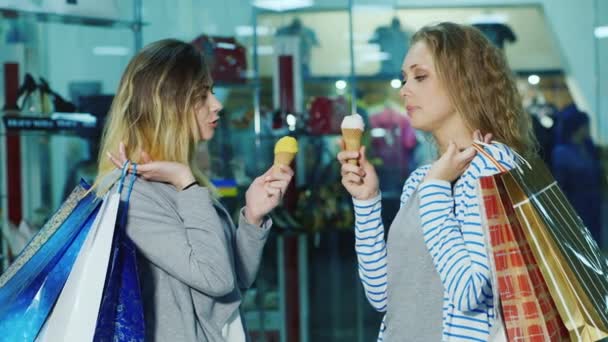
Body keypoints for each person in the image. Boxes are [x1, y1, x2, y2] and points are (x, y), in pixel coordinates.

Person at [337, 22, 536, 341]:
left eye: (420, 76)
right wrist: (367, 202)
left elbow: (468, 291)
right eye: (404, 78)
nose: (404, 89)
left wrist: (435, 189)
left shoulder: (491, 166)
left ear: (462, 81)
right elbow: (382, 297)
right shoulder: (421, 178)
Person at [97, 39, 294, 341]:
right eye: (202, 95)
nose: (217, 104)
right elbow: (215, 278)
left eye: (211, 92)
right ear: (167, 105)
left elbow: (232, 285)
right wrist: (185, 181)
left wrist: (252, 218)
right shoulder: (133, 196)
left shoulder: (177, 183)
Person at [552, 104, 603, 245]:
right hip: (577, 204)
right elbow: (561, 184)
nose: (588, 129)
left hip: (594, 202)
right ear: (578, 127)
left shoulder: (588, 146)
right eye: (586, 126)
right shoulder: (562, 152)